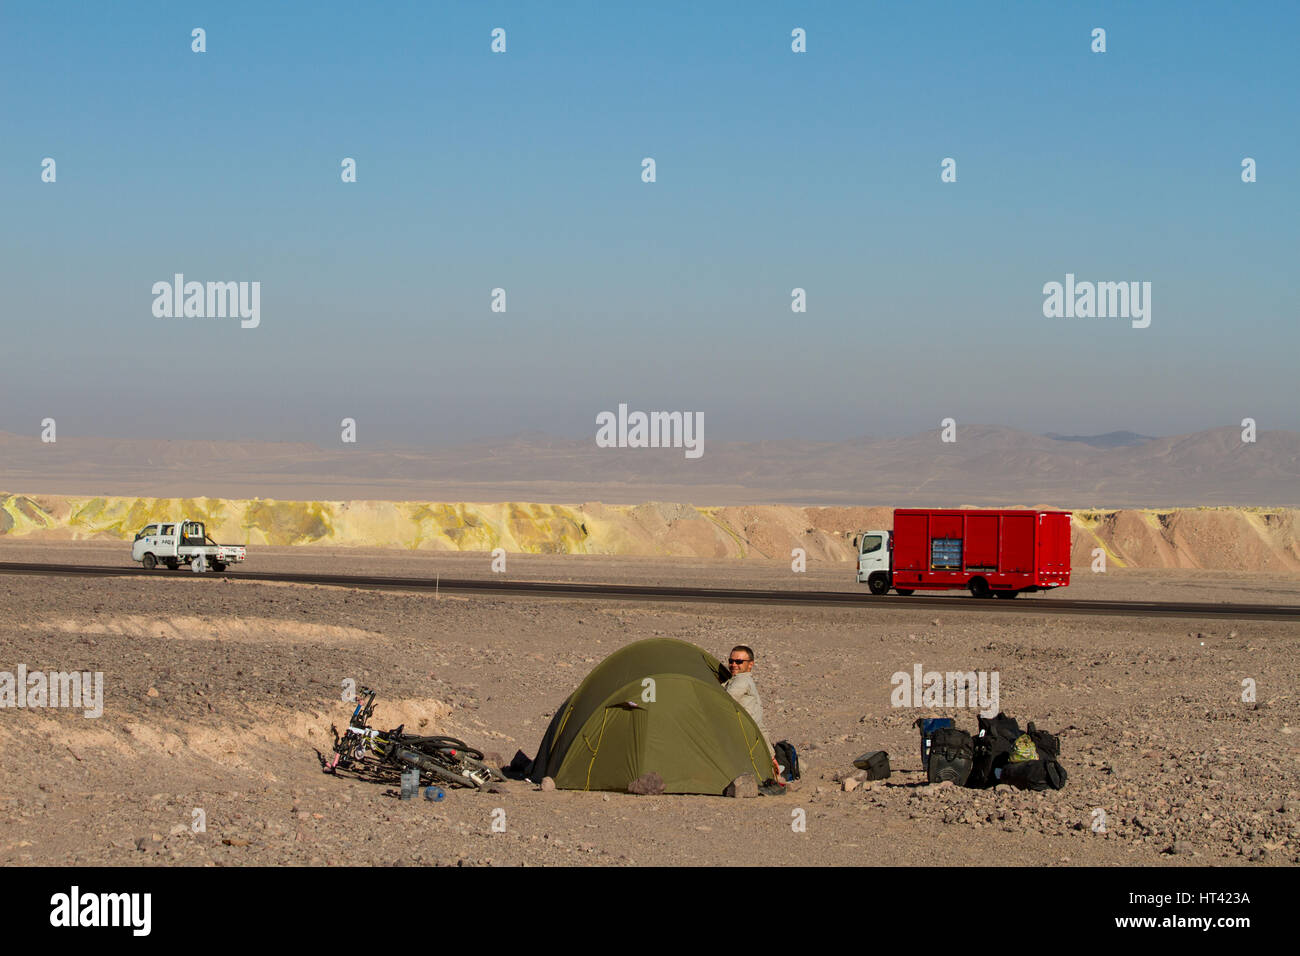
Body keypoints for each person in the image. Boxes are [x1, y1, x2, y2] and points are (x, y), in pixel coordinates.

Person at [722, 645, 781, 779]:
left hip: (743, 736)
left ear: (750, 664)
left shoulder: (742, 680)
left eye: (739, 662)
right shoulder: (739, 680)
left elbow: (724, 701)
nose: (733, 665)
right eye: (731, 661)